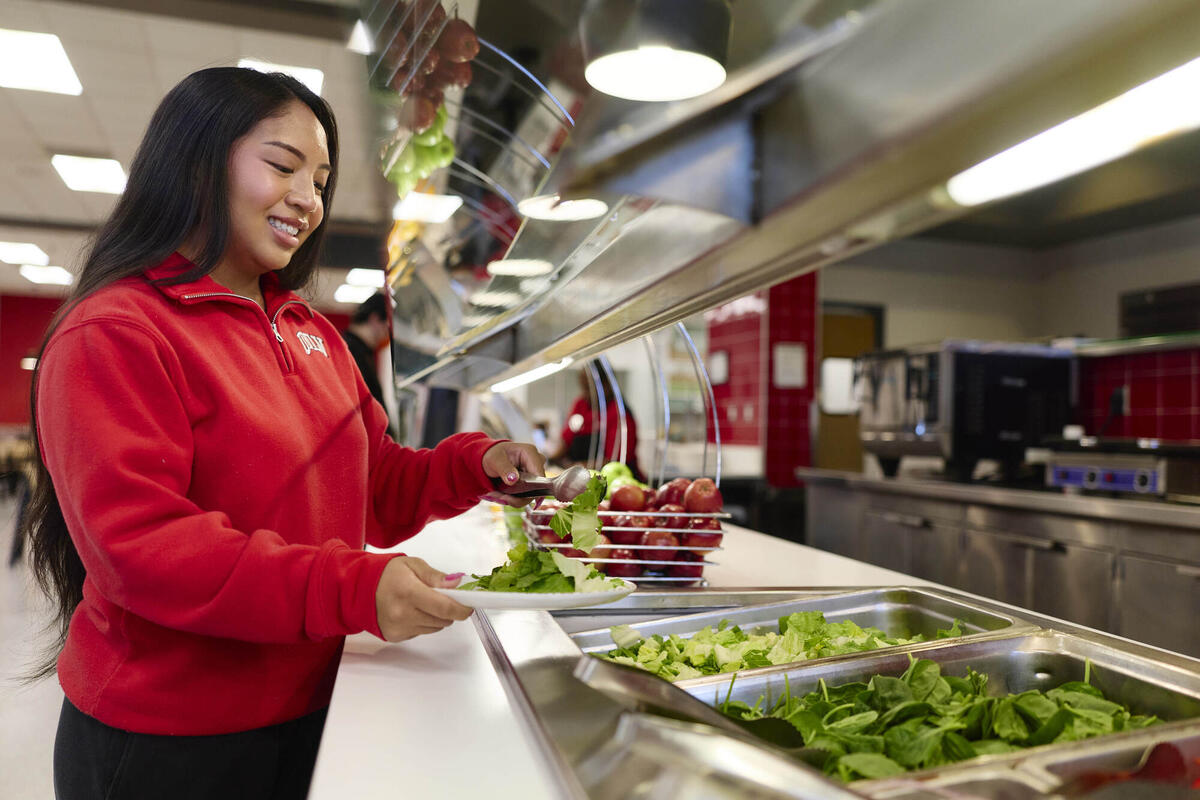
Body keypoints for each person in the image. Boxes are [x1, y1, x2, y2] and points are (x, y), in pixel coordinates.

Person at [21, 67, 543, 800]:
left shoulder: (312, 333)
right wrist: (349, 588)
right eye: (283, 165)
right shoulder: (116, 329)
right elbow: (143, 550)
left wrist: (476, 466)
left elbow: (373, 487)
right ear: (198, 163)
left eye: (323, 180)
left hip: (308, 705)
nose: (309, 199)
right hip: (170, 741)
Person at [552, 364, 643, 481]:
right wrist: (548, 459)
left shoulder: (619, 413)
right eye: (583, 387)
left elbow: (614, 461)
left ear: (606, 385)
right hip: (582, 479)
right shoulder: (581, 405)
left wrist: (577, 468)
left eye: (589, 387)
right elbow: (566, 440)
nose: (585, 393)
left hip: (615, 481)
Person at [341, 291, 394, 435]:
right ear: (375, 318)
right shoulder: (351, 351)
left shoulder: (349, 347)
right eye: (388, 325)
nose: (388, 333)